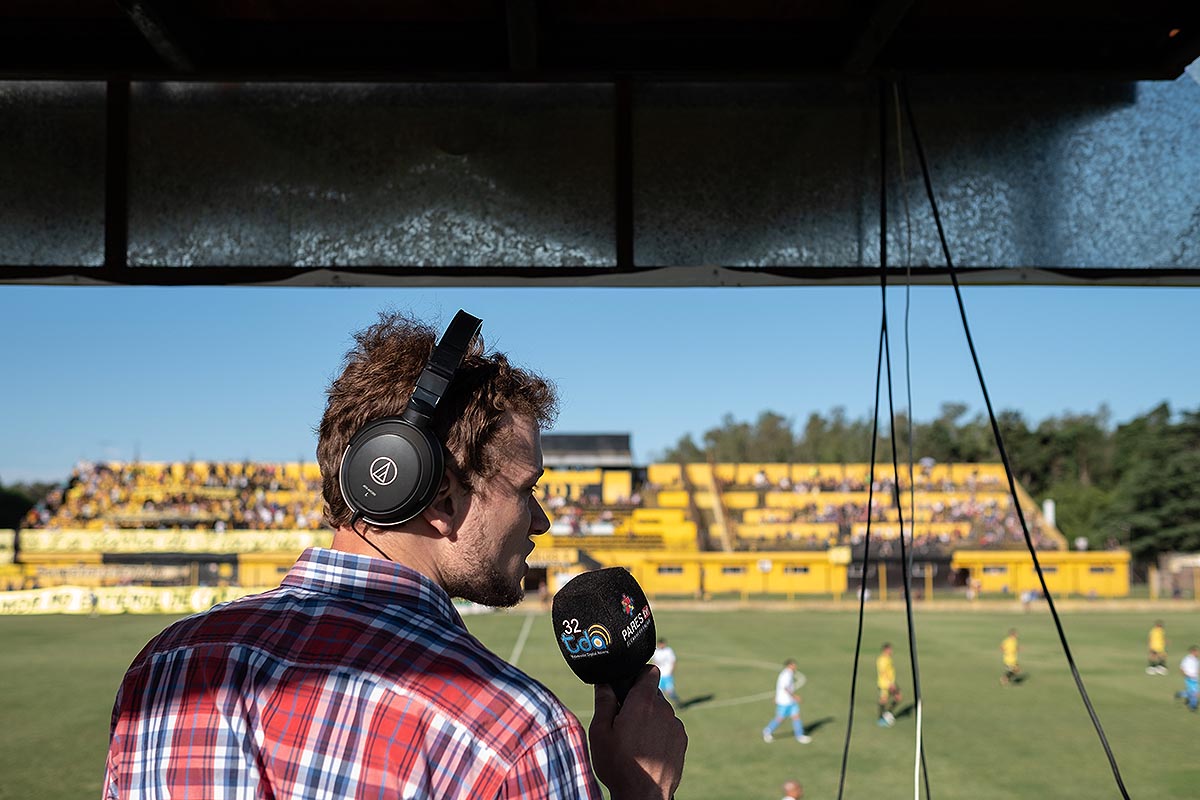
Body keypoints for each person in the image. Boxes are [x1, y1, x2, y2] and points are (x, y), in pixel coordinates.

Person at [103, 312, 687, 800]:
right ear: (431, 493)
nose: (542, 519)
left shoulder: (165, 667)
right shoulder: (513, 735)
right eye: (525, 488)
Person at [762, 659, 811, 743]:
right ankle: (767, 731)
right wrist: (795, 696)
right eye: (793, 665)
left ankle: (799, 736)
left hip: (790, 701)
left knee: (796, 716)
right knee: (780, 718)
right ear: (789, 665)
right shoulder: (786, 674)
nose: (795, 667)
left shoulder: (788, 673)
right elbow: (785, 687)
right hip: (784, 701)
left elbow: (780, 686)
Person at [876, 642, 902, 726]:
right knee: (884, 700)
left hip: (890, 682)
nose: (891, 651)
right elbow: (883, 672)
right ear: (885, 650)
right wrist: (890, 683)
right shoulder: (882, 660)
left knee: (897, 697)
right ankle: (881, 718)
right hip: (885, 684)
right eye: (890, 649)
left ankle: (886, 714)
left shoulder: (888, 658)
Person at [652, 638, 682, 704]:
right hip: (659, 675)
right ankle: (661, 706)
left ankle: (678, 702)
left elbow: (673, 661)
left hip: (667, 674)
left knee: (670, 691)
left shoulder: (668, 651)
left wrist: (671, 671)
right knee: (659, 693)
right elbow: (654, 661)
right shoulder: (656, 651)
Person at [1176, 645, 1199, 711]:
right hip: (1189, 678)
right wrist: (1186, 675)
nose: (1198, 653)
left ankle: (1181, 694)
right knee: (1195, 693)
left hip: (1195, 678)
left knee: (1193, 692)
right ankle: (1193, 706)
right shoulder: (1186, 659)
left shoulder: (1196, 660)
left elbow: (1197, 669)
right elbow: (1182, 668)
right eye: (1197, 651)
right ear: (1192, 652)